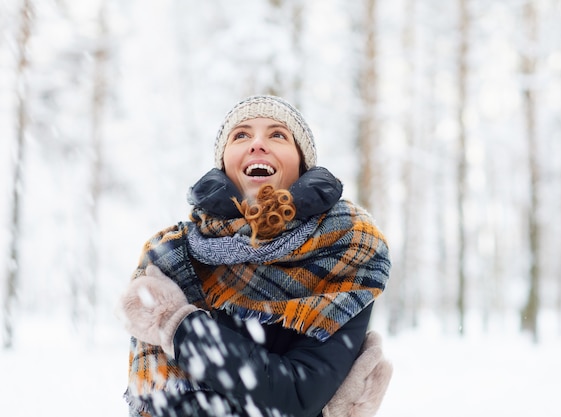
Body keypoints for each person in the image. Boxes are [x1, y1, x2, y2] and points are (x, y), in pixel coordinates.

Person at [120, 95, 393, 417]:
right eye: (241, 135)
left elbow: (295, 396)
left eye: (278, 135)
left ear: (302, 164)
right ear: (224, 162)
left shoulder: (347, 247)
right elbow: (165, 403)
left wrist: (177, 325)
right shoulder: (171, 254)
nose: (258, 144)